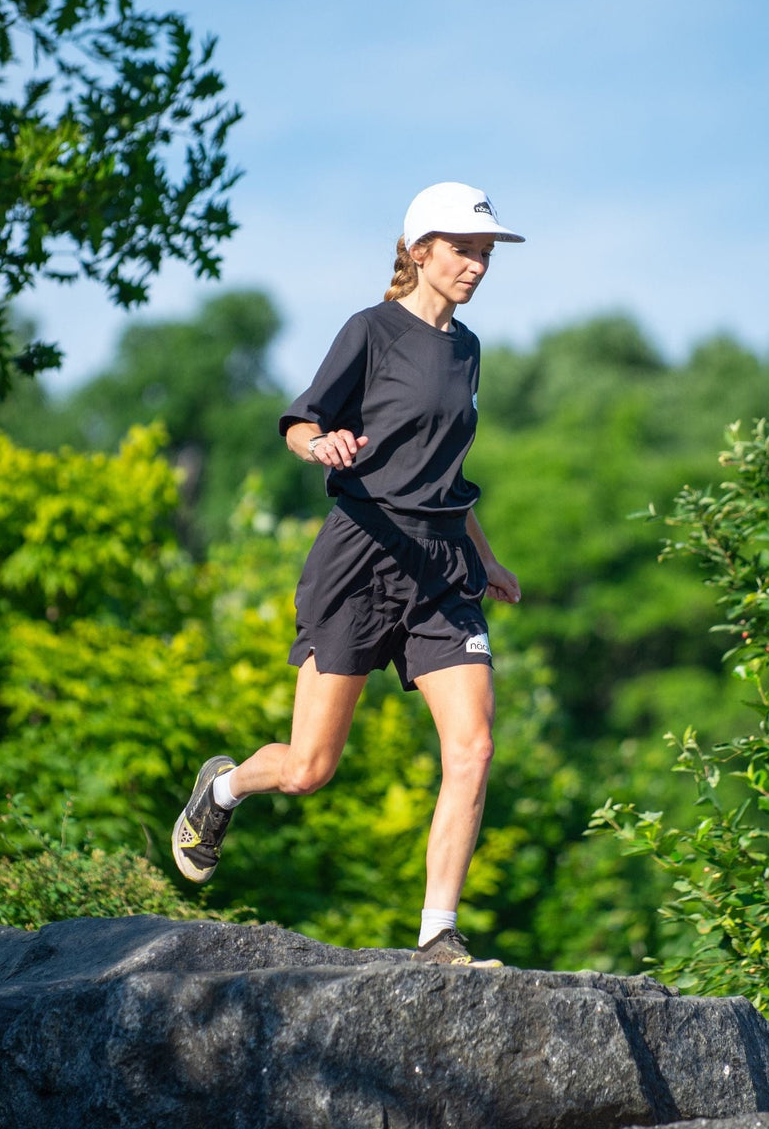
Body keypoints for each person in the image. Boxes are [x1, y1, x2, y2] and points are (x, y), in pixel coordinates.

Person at [172, 181, 524, 967]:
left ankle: (439, 930)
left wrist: (488, 556)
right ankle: (223, 791)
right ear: (420, 252)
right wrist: (318, 445)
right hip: (361, 557)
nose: (477, 265)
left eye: (486, 253)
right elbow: (301, 421)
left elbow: (445, 470)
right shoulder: (369, 331)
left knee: (473, 750)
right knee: (308, 769)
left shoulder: (467, 350)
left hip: (441, 567)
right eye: (464, 250)